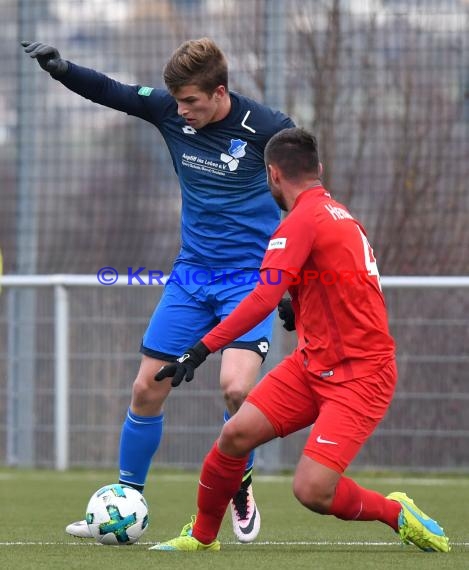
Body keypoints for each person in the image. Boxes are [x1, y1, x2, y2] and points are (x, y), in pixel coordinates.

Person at [21, 38, 295, 543]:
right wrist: (61, 70)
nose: (182, 111)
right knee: (146, 388)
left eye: (191, 102)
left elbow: (305, 200)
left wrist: (291, 279)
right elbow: (113, 91)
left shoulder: (271, 130)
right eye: (178, 102)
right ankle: (126, 501)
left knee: (237, 389)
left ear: (218, 92)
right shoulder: (170, 112)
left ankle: (240, 481)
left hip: (251, 282)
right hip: (191, 277)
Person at [149, 127, 450, 553]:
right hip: (313, 364)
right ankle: (201, 537)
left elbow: (260, 299)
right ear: (318, 170)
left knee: (312, 490)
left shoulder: (299, 222)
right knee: (235, 436)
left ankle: (395, 512)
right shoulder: (338, 213)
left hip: (360, 377)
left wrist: (199, 350)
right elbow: (337, 280)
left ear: (272, 175)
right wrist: (299, 299)